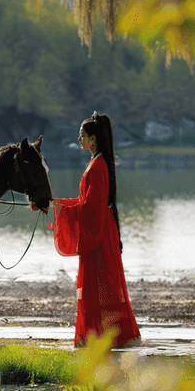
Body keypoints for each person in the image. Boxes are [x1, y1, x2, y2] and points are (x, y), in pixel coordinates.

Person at [43, 111, 140, 348]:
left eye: (82, 135)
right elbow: (85, 202)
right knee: (98, 286)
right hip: (100, 230)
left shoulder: (97, 167)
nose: (79, 139)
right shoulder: (96, 163)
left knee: (100, 286)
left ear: (93, 138)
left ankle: (103, 336)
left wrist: (62, 210)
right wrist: (57, 204)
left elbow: (91, 208)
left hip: (99, 233)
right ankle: (101, 335)